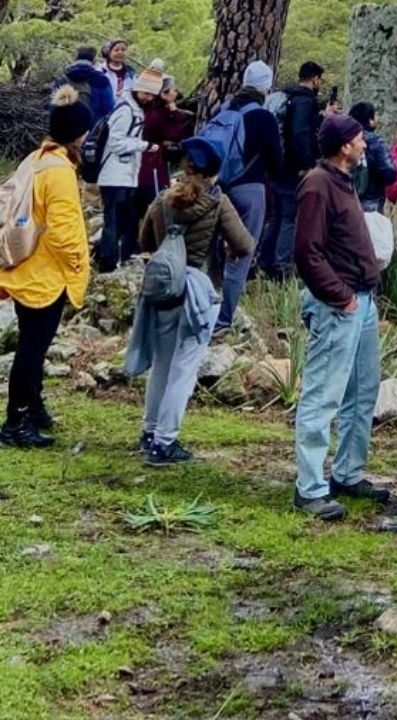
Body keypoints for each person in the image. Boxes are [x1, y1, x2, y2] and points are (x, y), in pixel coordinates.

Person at [129, 138, 255, 465]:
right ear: (214, 170)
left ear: (187, 166)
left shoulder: (163, 198)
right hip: (196, 291)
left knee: (161, 366)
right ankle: (165, 443)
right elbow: (245, 244)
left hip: (161, 290)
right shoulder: (217, 202)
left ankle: (149, 431)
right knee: (183, 371)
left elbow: (143, 240)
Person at [291, 115, 389, 521]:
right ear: (344, 146)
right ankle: (310, 487)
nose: (365, 144)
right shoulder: (317, 184)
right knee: (323, 392)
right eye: (359, 139)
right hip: (341, 305)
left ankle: (347, 472)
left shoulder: (344, 180)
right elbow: (306, 251)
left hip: (361, 302)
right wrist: (340, 297)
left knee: (363, 390)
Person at [0, 87, 94, 447]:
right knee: (32, 349)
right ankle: (16, 422)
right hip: (45, 276)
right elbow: (64, 230)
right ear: (77, 134)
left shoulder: (36, 159)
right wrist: (77, 265)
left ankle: (33, 407)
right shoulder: (60, 172)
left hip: (26, 270)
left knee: (31, 344)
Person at [214, 60, 286, 334]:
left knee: (211, 249)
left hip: (217, 187)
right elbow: (276, 161)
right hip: (249, 188)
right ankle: (224, 318)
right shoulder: (263, 116)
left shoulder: (224, 108)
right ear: (266, 86)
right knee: (242, 251)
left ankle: (203, 306)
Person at [260, 61, 329, 280]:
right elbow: (300, 134)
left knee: (275, 215)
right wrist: (306, 164)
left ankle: (265, 260)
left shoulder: (285, 95)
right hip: (292, 168)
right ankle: (282, 267)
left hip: (275, 165)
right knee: (289, 217)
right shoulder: (304, 101)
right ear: (315, 78)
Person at [94, 61, 163, 273]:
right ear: (138, 89)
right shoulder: (125, 111)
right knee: (113, 222)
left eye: (152, 95)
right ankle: (107, 264)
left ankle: (109, 258)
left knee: (122, 221)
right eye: (147, 94)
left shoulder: (136, 111)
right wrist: (144, 146)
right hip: (114, 175)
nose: (149, 98)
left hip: (125, 175)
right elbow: (116, 142)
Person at [136, 68, 187, 237]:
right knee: (153, 205)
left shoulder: (154, 112)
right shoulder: (157, 114)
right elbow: (174, 134)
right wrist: (174, 110)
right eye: (172, 90)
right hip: (152, 167)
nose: (175, 93)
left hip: (154, 163)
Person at [348, 102, 397, 213]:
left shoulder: (345, 139)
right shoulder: (376, 142)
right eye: (375, 116)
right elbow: (389, 173)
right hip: (371, 201)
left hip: (347, 199)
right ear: (370, 120)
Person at [51, 46, 115, 123]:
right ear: (94, 60)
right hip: (91, 128)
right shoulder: (101, 79)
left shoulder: (62, 78)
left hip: (65, 128)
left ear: (76, 59)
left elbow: (53, 106)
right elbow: (109, 107)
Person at [97, 38, 135, 103]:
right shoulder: (100, 71)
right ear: (108, 52)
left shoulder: (131, 72)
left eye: (123, 50)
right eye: (116, 50)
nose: (120, 52)